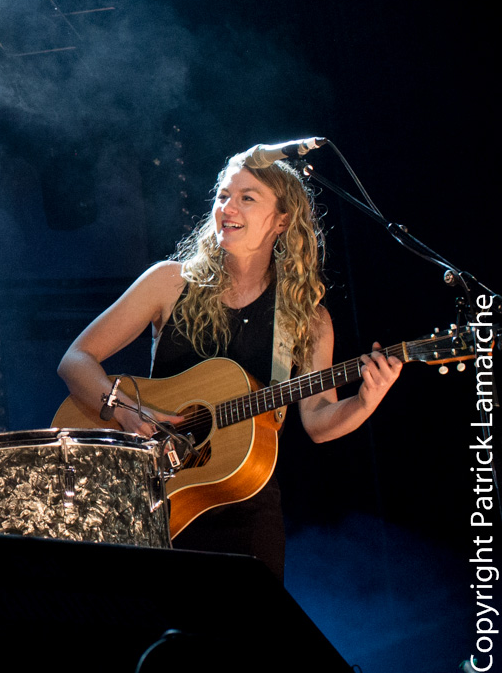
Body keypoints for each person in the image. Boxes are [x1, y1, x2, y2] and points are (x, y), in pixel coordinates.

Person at [57, 152, 402, 579]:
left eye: (247, 198)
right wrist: (126, 411)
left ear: (281, 220)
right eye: (223, 195)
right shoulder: (169, 282)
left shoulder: (307, 318)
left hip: (244, 509)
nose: (228, 208)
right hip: (149, 498)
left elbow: (317, 421)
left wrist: (367, 400)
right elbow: (75, 361)